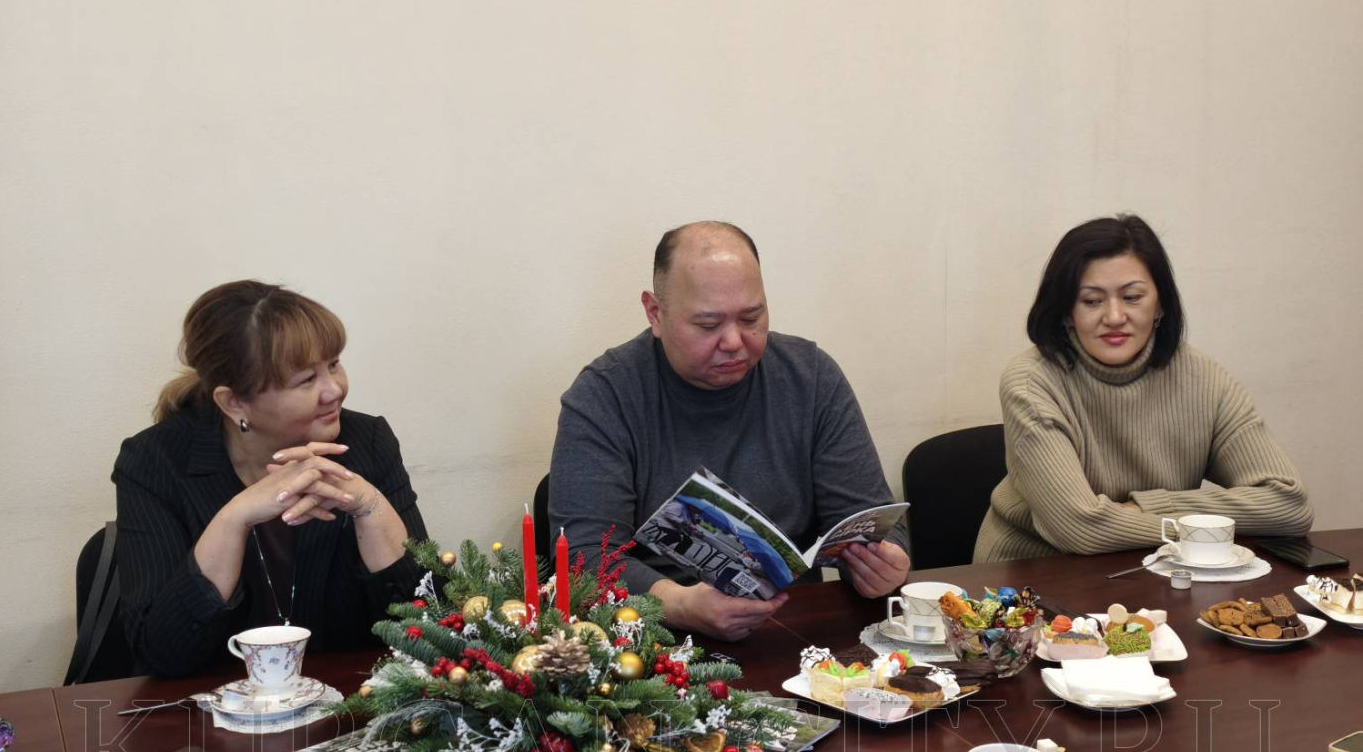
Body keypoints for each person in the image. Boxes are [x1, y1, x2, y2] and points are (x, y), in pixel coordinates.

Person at [549, 221, 909, 641]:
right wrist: (679, 605)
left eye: (751, 317)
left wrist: (884, 563)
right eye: (708, 324)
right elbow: (584, 559)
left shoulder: (810, 378)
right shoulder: (604, 395)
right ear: (655, 313)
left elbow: (870, 516)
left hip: (793, 632)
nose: (735, 341)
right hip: (651, 644)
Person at [112, 281, 429, 677]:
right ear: (234, 402)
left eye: (333, 365)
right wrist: (233, 519)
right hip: (211, 706)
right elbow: (160, 654)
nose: (334, 390)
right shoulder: (156, 461)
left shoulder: (367, 444)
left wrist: (369, 507)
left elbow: (429, 632)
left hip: (350, 699)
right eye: (306, 380)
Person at [973, 214, 1311, 563]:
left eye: (1132, 297)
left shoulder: (1204, 378)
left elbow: (1288, 504)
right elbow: (1079, 528)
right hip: (1032, 575)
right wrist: (1203, 527)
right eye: (1092, 301)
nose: (1114, 317)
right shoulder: (1032, 383)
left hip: (1156, 569)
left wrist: (1149, 506)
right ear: (1066, 312)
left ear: (1160, 304)